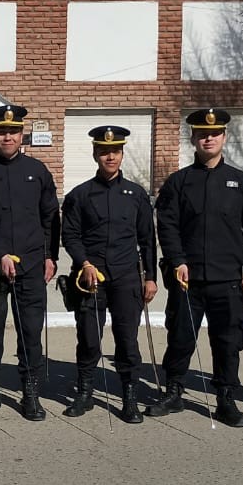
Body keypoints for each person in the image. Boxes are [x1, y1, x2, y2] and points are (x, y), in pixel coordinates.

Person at [147, 109, 243, 428]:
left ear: (224, 137)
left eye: (214, 133)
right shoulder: (179, 182)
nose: (208, 138)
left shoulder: (242, 184)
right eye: (202, 133)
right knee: (181, 338)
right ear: (193, 139)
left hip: (228, 279)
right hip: (188, 280)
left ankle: (226, 399)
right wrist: (177, 261)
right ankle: (173, 392)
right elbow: (167, 226)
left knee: (227, 341)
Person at [0, 103, 60, 420]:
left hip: (32, 264)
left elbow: (50, 217)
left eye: (13, 131)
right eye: (2, 131)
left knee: (30, 332)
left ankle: (30, 393)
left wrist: (50, 256)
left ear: (22, 134)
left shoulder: (38, 171)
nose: (8, 137)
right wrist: (1, 253)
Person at [60, 125, 158, 424]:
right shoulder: (80, 195)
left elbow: (147, 239)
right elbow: (71, 235)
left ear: (122, 154)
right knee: (89, 338)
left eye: (114, 151)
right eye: (104, 152)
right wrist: (84, 263)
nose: (109, 157)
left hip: (127, 276)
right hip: (90, 278)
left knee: (127, 339)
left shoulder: (136, 194)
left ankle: (129, 397)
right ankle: (86, 392)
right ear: (95, 154)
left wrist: (151, 277)